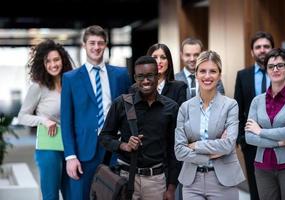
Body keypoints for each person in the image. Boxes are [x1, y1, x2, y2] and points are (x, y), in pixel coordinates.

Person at [60, 25, 131, 200]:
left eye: (100, 43)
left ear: (106, 45)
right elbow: (66, 120)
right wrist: (70, 156)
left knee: (115, 195)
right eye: (92, 43)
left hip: (115, 149)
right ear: (84, 45)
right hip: (84, 151)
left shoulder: (120, 75)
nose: (96, 47)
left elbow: (130, 112)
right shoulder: (70, 78)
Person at [100, 56, 180, 200]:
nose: (145, 81)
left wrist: (172, 187)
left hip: (156, 181)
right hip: (126, 177)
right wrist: (124, 145)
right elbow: (105, 137)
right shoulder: (122, 104)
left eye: (150, 75)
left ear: (157, 76)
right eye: (140, 76)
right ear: (135, 78)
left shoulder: (171, 108)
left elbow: (174, 150)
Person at [234, 31, 285, 200]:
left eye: (280, 65)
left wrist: (260, 132)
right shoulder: (254, 96)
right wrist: (277, 141)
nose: (275, 69)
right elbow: (245, 127)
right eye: (271, 66)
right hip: (259, 159)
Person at [175, 50, 245, 200]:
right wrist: (209, 155)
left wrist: (195, 145)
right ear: (196, 75)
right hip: (192, 182)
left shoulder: (230, 106)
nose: (207, 76)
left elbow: (227, 145)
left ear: (219, 75)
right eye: (202, 71)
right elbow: (179, 151)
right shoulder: (185, 108)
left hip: (223, 181)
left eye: (212, 71)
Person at [18, 39, 73, 200]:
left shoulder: (71, 84)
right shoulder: (38, 87)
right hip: (49, 146)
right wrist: (43, 120)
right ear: (42, 64)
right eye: (48, 61)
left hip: (72, 147)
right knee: (50, 195)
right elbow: (22, 117)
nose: (53, 64)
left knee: (73, 194)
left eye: (56, 59)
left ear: (63, 60)